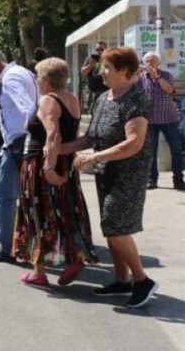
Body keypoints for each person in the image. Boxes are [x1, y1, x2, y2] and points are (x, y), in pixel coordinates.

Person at [66, 47, 158, 308]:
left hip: (130, 173)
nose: (102, 73)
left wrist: (95, 157)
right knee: (110, 226)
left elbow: (134, 142)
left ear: (124, 71)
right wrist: (60, 148)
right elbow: (90, 137)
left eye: (107, 68)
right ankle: (122, 280)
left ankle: (142, 280)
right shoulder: (102, 98)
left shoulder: (135, 99)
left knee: (116, 226)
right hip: (106, 170)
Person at [13, 58, 98, 287]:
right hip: (65, 162)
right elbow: (71, 133)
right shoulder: (71, 98)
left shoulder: (48, 100)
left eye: (38, 76)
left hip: (41, 164)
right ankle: (73, 258)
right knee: (65, 209)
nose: (36, 81)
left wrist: (48, 167)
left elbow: (53, 135)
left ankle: (39, 272)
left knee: (38, 213)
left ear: (46, 79)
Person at [0, 49, 38, 263]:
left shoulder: (11, 78)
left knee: (5, 195)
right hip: (15, 142)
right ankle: (14, 236)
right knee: (4, 187)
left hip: (20, 142)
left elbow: (28, 109)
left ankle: (8, 247)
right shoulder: (19, 73)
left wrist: (31, 141)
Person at [137, 52, 185, 190]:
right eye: (147, 61)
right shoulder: (141, 77)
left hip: (169, 119)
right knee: (151, 151)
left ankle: (178, 180)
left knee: (176, 150)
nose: (150, 64)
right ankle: (152, 180)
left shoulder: (167, 75)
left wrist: (157, 77)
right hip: (150, 120)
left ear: (159, 63)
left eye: (153, 61)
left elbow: (170, 90)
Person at [80, 41, 108, 112]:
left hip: (105, 89)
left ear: (106, 49)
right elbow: (83, 72)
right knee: (93, 111)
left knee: (105, 111)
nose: (99, 51)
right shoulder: (90, 59)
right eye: (97, 50)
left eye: (102, 49)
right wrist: (91, 65)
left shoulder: (109, 59)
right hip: (93, 90)